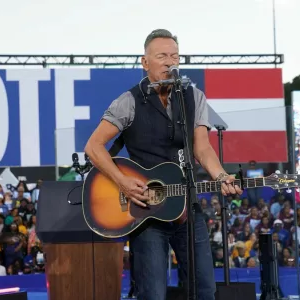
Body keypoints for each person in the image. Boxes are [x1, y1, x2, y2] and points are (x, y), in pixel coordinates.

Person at [84, 29, 243, 300]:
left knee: (204, 290)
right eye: (162, 56)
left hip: (187, 208)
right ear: (145, 63)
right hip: (146, 212)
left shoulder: (193, 97)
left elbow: (202, 148)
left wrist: (220, 175)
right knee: (153, 294)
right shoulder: (128, 102)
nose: (170, 62)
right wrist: (122, 181)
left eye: (175, 56)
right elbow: (93, 147)